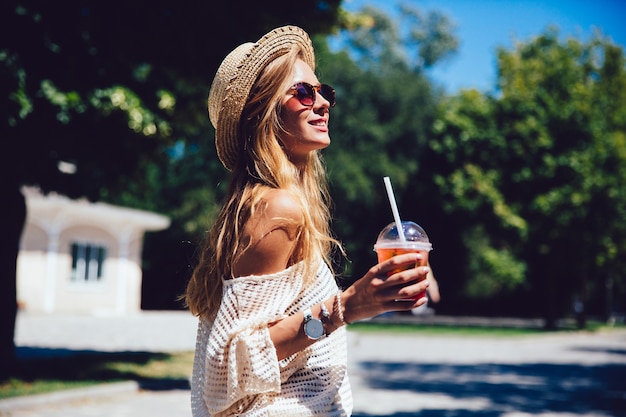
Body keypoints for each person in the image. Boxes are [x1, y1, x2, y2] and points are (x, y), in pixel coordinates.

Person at [184, 25, 431, 417]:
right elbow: (228, 363)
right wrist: (345, 307)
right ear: (262, 112)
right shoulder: (278, 209)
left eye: (323, 91)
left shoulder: (274, 204)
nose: (322, 102)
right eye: (302, 92)